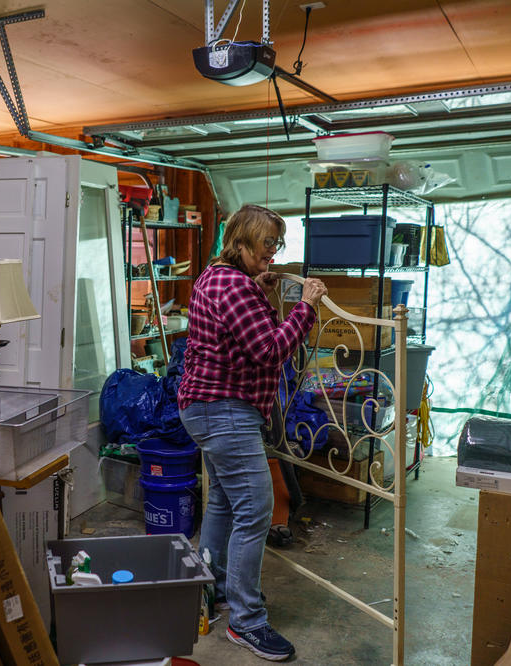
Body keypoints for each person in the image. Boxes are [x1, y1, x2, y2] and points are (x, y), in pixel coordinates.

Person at [178, 204, 327, 662]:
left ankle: (210, 593)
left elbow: (243, 330)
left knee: (224, 503)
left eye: (276, 245)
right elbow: (267, 349)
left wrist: (262, 291)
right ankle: (247, 621)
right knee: (256, 510)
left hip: (209, 408)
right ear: (240, 243)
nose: (273, 254)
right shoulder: (234, 285)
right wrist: (306, 306)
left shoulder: (218, 276)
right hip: (224, 409)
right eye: (266, 245)